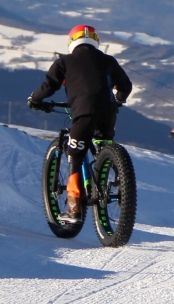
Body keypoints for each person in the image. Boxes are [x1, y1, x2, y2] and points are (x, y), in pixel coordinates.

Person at [27, 24, 133, 218]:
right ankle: (114, 180)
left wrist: (35, 99)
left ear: (71, 42)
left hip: (84, 112)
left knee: (75, 153)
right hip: (108, 113)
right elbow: (125, 85)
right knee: (103, 144)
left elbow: (49, 86)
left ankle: (74, 207)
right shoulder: (108, 60)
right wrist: (118, 100)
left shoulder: (64, 62)